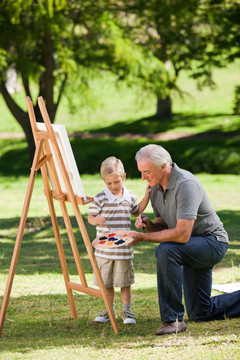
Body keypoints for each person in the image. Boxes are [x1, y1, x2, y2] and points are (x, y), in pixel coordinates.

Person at [125, 144, 240, 335]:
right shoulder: (154, 189)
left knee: (166, 250)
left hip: (212, 243)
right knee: (201, 312)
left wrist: (143, 237)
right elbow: (165, 228)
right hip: (188, 246)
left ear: (163, 166)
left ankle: (173, 320)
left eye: (146, 172)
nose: (143, 177)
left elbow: (181, 234)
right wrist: (149, 225)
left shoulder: (185, 184)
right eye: (141, 172)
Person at [88, 156, 150, 325]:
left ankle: (127, 312)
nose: (113, 186)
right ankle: (109, 311)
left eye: (116, 182)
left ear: (123, 177)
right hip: (104, 250)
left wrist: (146, 196)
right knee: (106, 283)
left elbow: (137, 211)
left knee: (124, 282)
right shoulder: (100, 197)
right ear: (104, 181)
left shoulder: (129, 196)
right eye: (109, 183)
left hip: (123, 249)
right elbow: (90, 217)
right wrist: (96, 220)